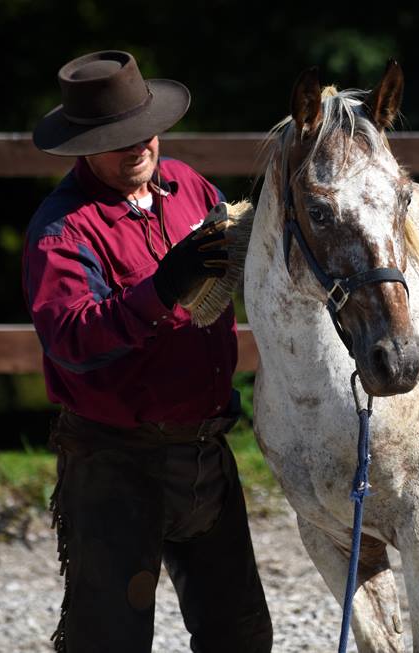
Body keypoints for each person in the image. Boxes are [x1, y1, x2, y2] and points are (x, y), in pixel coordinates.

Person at [24, 50, 272, 652]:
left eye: (144, 131)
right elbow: (73, 339)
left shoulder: (189, 185)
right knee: (111, 640)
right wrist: (162, 287)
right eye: (117, 139)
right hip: (116, 462)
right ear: (83, 145)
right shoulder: (63, 230)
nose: (138, 146)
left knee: (239, 633)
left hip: (206, 448)